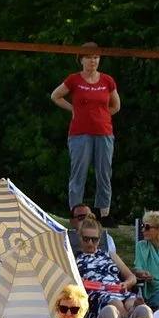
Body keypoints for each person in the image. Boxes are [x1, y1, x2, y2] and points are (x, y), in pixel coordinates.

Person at [54, 43, 122, 216]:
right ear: (81, 59)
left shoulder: (107, 80)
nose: (93, 61)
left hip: (104, 132)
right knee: (79, 172)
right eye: (90, 57)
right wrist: (73, 109)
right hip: (80, 133)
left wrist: (102, 116)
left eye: (96, 57)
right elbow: (56, 95)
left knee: (104, 173)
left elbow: (116, 105)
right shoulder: (74, 79)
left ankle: (104, 213)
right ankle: (77, 212)